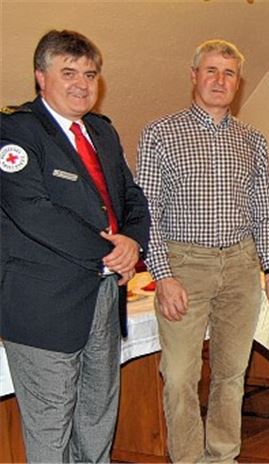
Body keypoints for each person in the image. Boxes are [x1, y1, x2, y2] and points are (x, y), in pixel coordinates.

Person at [136, 39, 269, 463]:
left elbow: (263, 210)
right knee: (180, 375)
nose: (220, 81)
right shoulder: (160, 134)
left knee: (231, 373)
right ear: (193, 77)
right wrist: (163, 276)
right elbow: (146, 213)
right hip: (185, 266)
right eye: (211, 71)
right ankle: (187, 459)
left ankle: (223, 455)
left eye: (229, 73)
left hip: (241, 265)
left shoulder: (252, 139)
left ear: (238, 84)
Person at [0, 29, 150, 462]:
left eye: (90, 74)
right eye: (68, 73)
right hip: (43, 308)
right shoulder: (16, 130)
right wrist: (110, 251)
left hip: (103, 298)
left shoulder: (101, 132)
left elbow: (132, 200)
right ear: (40, 77)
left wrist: (133, 244)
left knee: (97, 418)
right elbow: (33, 211)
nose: (82, 84)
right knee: (51, 429)